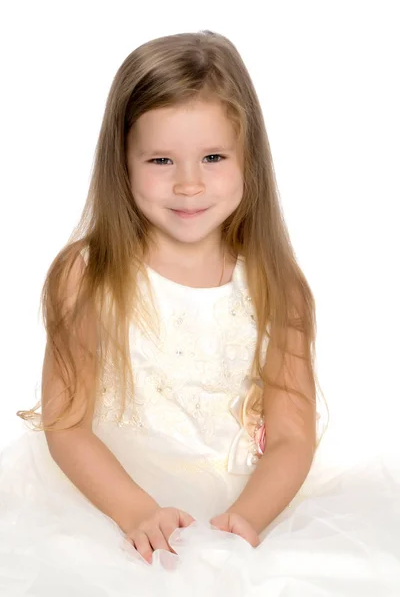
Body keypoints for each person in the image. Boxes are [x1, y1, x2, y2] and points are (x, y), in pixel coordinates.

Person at [1, 30, 399, 597]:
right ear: (123, 162)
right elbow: (67, 424)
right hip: (112, 498)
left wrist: (247, 521)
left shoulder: (277, 287)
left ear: (248, 159)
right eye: (161, 159)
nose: (189, 183)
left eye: (213, 157)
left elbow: (291, 435)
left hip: (240, 504)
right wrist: (137, 512)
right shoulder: (89, 274)